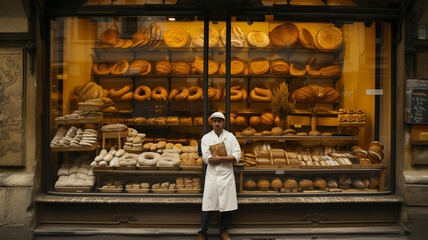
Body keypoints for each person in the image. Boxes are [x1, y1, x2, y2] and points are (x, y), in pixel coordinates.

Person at [197, 112, 241, 240]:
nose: (217, 123)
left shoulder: (231, 137)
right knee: (208, 204)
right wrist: (226, 158)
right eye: (214, 121)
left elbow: (237, 156)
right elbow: (206, 158)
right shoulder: (206, 138)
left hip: (227, 175)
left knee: (227, 204)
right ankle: (202, 232)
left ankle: (224, 231)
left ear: (223, 122)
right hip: (212, 175)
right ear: (211, 122)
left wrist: (220, 158)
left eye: (219, 121)